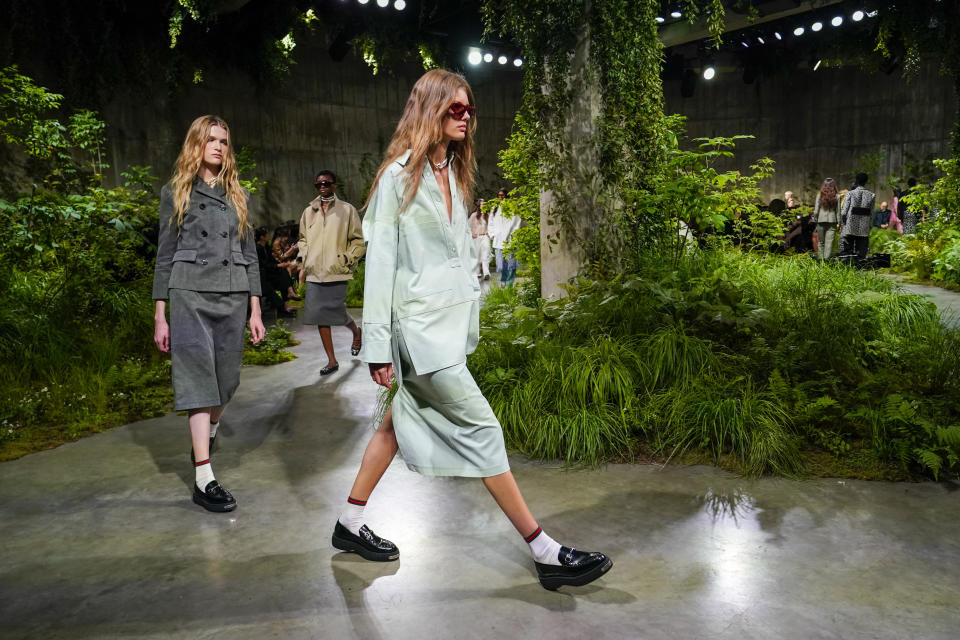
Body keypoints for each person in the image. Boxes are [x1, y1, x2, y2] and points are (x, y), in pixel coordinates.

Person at [331, 69, 612, 591]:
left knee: (393, 428)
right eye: (454, 108)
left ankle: (348, 525)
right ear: (429, 109)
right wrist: (377, 346)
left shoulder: (456, 176)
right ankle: (545, 551)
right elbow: (382, 264)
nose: (465, 116)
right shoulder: (398, 178)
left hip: (448, 331)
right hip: (418, 335)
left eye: (469, 109)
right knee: (483, 431)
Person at [152, 115, 265, 513]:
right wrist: (160, 314)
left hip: (232, 294)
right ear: (197, 143)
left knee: (227, 382)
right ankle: (204, 475)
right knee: (199, 381)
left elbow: (250, 255)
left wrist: (256, 308)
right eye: (211, 139)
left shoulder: (240, 196)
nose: (218, 146)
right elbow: (164, 256)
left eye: (223, 141)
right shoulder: (176, 192)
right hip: (189, 292)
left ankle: (210, 431)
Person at [298, 170, 365, 376]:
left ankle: (356, 331)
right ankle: (332, 360)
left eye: (326, 183)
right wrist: (304, 256)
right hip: (314, 272)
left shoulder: (347, 210)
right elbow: (302, 239)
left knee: (335, 310)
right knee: (320, 316)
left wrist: (347, 258)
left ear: (334, 185)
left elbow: (358, 241)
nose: (322, 187)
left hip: (336, 270)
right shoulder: (309, 211)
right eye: (318, 185)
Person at [255, 226, 297, 317]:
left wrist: (279, 265)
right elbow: (262, 265)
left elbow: (271, 261)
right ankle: (284, 303)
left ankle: (287, 299)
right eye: (266, 234)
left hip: (268, 272)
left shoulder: (266, 247)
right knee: (280, 275)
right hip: (262, 275)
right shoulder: (258, 248)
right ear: (262, 237)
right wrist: (277, 265)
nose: (268, 236)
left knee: (282, 272)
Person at [487, 188, 521, 287]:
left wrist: (513, 234)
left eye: (502, 195)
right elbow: (491, 222)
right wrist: (492, 233)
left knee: (511, 262)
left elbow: (516, 222)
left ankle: (509, 282)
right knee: (501, 263)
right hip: (498, 239)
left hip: (510, 239)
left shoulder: (512, 207)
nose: (501, 197)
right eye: (499, 195)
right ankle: (503, 280)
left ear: (507, 196)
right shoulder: (495, 207)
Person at [840, 172, 876, 260]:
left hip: (850, 227)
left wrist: (844, 224)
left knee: (848, 252)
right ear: (866, 181)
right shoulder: (871, 195)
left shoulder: (850, 194)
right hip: (864, 228)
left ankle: (849, 269)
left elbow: (844, 212)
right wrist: (869, 226)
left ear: (856, 181)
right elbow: (871, 214)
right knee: (861, 254)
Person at [812, 178, 840, 259]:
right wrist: (840, 224)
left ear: (824, 186)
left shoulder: (819, 196)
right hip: (832, 221)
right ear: (833, 186)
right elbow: (838, 212)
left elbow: (816, 211)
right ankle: (827, 261)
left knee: (821, 242)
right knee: (829, 243)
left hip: (820, 221)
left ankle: (821, 261)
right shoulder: (837, 196)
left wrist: (816, 220)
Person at [468, 198, 492, 279]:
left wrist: (490, 233)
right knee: (477, 255)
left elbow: (492, 225)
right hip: (477, 237)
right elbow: (468, 227)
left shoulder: (488, 215)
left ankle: (486, 273)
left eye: (484, 204)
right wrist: (472, 234)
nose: (483, 206)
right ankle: (477, 272)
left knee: (486, 254)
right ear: (478, 205)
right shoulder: (474, 215)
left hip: (485, 236)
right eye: (482, 204)